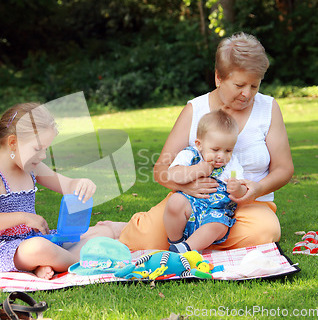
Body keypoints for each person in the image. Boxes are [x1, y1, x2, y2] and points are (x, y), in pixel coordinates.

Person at [112, 32, 294, 251]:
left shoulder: (268, 108)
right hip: (194, 202)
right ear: (219, 77)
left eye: (254, 86)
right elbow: (160, 169)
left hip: (248, 207)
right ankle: (183, 238)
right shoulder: (195, 109)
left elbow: (284, 169)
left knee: (264, 231)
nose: (247, 94)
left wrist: (257, 188)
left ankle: (192, 242)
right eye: (239, 85)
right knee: (143, 242)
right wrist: (187, 185)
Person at [0, 103, 116, 280]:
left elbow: (67, 185)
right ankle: (77, 261)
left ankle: (49, 262)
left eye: (46, 149)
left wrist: (81, 183)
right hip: (1, 248)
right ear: (13, 142)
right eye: (38, 149)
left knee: (102, 232)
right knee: (39, 248)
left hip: (31, 239)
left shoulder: (33, 167)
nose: (43, 155)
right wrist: (24, 217)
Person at [165, 109, 246, 253]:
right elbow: (172, 175)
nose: (221, 156)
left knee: (218, 225)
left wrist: (238, 188)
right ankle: (175, 242)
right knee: (174, 202)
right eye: (215, 149)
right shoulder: (190, 155)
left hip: (216, 212)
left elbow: (243, 190)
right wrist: (198, 169)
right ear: (199, 144)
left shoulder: (232, 164)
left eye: (228, 151)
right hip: (190, 206)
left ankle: (186, 249)